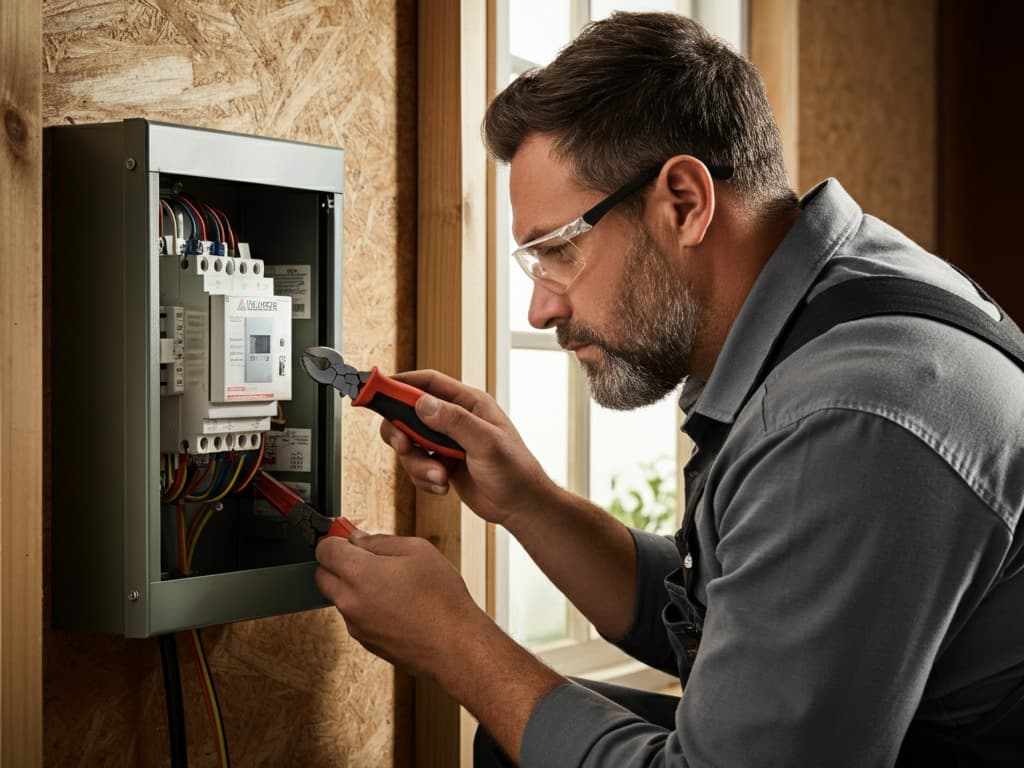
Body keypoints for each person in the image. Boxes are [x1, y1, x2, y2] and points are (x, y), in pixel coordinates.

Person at [314, 11, 1024, 767]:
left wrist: (455, 644)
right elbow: (750, 622)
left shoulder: (848, 417)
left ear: (684, 201)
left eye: (559, 251)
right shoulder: (846, 300)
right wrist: (527, 501)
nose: (542, 306)